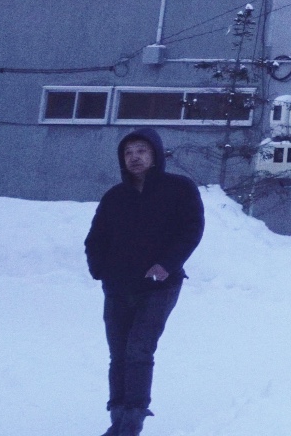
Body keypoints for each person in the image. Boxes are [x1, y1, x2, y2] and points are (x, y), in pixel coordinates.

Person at [84, 129, 204, 436]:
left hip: (159, 286)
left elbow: (191, 230)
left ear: (156, 155)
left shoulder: (179, 188)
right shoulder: (114, 197)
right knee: (119, 354)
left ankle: (132, 424)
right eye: (128, 153)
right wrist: (100, 270)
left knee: (139, 350)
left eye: (142, 151)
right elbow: (96, 239)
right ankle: (118, 419)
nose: (134, 157)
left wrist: (166, 265)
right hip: (117, 288)